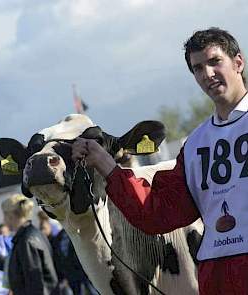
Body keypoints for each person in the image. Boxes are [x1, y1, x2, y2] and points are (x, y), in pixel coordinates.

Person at [72, 27, 248, 295]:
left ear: (238, 62)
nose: (207, 74)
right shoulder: (196, 144)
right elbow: (159, 212)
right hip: (217, 275)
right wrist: (107, 166)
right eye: (198, 68)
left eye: (214, 62)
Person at [1, 194, 59, 295]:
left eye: (4, 216)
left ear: (10, 216)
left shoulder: (26, 240)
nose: (3, 220)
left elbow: (34, 279)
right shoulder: (30, 235)